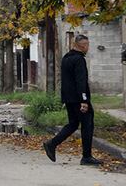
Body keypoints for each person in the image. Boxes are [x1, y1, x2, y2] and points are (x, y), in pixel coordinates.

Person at [43, 35, 100, 166]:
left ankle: (52, 144)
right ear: (83, 45)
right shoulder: (79, 60)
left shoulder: (66, 58)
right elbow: (81, 82)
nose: (88, 47)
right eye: (87, 45)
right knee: (87, 125)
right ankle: (86, 157)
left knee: (73, 124)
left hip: (69, 98)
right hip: (79, 99)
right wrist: (84, 101)